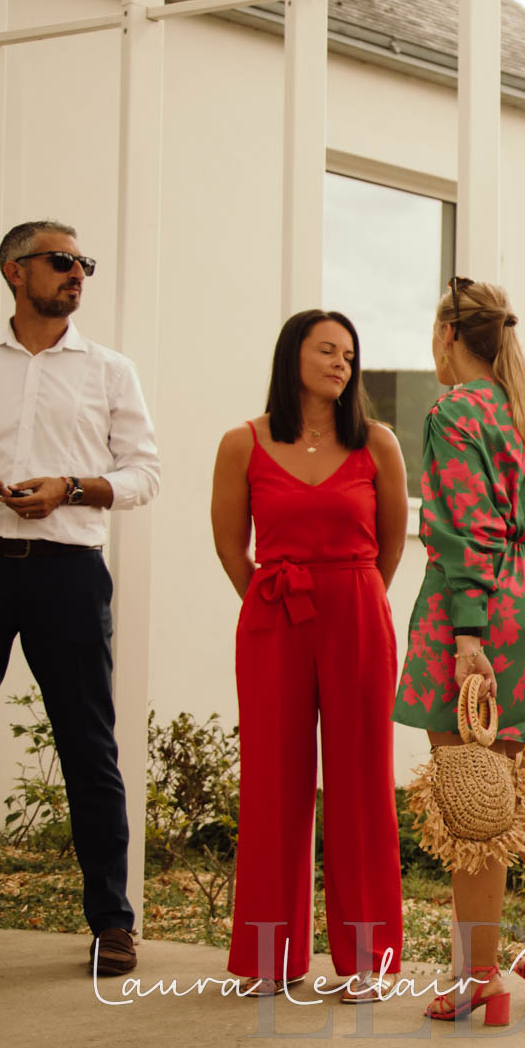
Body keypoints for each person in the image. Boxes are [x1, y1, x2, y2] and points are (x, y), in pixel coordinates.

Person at [392, 277, 525, 1024]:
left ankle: (478, 976)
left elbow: (464, 532)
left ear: (449, 336)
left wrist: (467, 640)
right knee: (515, 792)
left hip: (481, 610)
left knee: (475, 802)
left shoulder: (457, 412)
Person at [210, 310, 408, 999]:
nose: (340, 364)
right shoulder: (242, 442)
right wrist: (272, 604)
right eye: (326, 350)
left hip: (357, 611)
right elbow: (231, 546)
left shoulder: (377, 442)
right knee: (272, 784)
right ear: (292, 355)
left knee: (362, 786)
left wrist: (354, 596)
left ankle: (368, 961)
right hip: (275, 613)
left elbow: (391, 544)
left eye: (349, 355)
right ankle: (273, 956)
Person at [0, 220, 160, 973]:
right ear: (15, 271)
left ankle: (112, 923)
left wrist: (72, 488)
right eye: (61, 260)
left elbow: (144, 473)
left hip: (70, 571)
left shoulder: (110, 370)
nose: (77, 272)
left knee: (89, 745)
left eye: (83, 262)